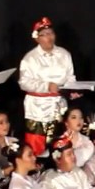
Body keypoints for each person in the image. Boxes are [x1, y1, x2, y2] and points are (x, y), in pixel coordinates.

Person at [18, 16, 76, 156]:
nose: (49, 37)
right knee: (37, 144)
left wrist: (73, 90)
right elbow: (24, 82)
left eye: (51, 33)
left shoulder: (64, 54)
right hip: (38, 108)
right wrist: (46, 86)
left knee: (60, 140)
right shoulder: (30, 58)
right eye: (44, 35)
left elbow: (70, 76)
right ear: (37, 38)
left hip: (59, 105)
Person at [61, 104, 95, 169]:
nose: (79, 120)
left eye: (81, 117)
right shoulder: (59, 141)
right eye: (74, 117)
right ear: (66, 122)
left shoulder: (87, 142)